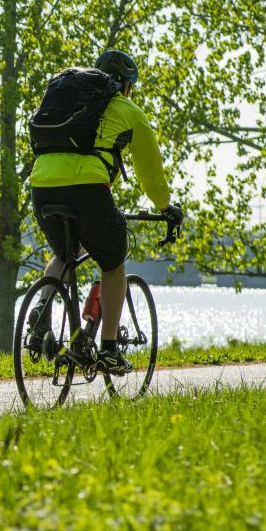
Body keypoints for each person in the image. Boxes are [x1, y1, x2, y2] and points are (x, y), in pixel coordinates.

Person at [28, 49, 184, 374]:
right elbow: (151, 173)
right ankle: (110, 350)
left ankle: (42, 309)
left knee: (64, 252)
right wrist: (167, 208)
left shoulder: (69, 100)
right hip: (87, 190)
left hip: (41, 184)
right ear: (127, 85)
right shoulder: (128, 110)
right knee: (113, 264)